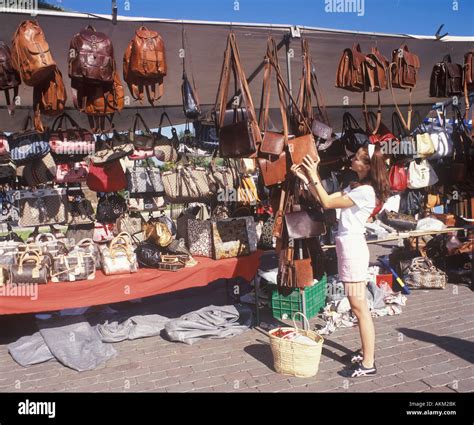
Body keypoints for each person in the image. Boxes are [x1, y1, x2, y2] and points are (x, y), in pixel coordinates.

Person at [291, 145, 390, 377]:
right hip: (348, 248)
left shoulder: (365, 192)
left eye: (356, 158)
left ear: (366, 166)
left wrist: (314, 174)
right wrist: (306, 177)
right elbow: (326, 197)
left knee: (359, 307)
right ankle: (366, 352)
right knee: (357, 307)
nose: (352, 160)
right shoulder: (356, 186)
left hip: (353, 250)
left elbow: (326, 203)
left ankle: (368, 363)